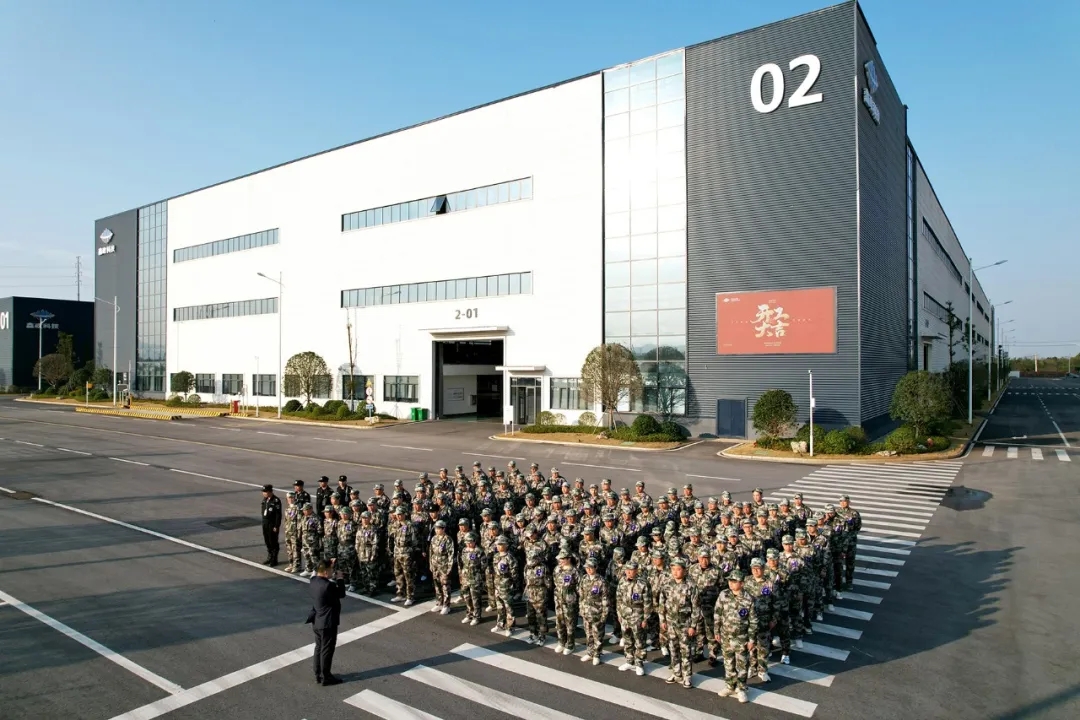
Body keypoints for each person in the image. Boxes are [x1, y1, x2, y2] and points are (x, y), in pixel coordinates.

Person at [307, 560, 346, 686]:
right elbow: (341, 594)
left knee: (319, 647)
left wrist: (329, 561)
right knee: (327, 650)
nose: (332, 572)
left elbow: (317, 569)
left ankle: (317, 673)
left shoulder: (313, 581)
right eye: (330, 570)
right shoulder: (328, 586)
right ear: (325, 572)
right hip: (327, 622)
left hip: (317, 620)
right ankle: (326, 676)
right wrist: (340, 579)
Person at [261, 484, 282, 566]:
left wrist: (276, 526)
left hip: (272, 524)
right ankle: (269, 556)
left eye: (265, 492)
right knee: (267, 541)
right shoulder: (265, 500)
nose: (264, 493)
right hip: (265, 523)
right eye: (263, 492)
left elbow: (278, 515)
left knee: (273, 541)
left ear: (270, 492)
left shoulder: (276, 501)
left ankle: (274, 559)